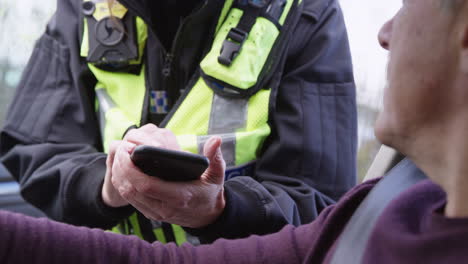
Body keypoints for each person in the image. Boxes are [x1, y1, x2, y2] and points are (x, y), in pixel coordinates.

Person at [1, 0, 467, 263]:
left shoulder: (304, 14)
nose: (385, 33)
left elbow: (317, 210)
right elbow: (34, 147)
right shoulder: (84, 9)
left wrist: (221, 209)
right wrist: (104, 183)